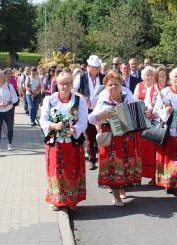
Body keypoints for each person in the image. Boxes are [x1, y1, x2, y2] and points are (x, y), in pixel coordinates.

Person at [88, 70, 141, 206]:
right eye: (110, 85)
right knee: (112, 165)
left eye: (116, 84)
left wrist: (142, 110)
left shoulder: (127, 95)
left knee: (124, 163)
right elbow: (92, 118)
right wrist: (104, 115)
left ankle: (122, 187)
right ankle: (116, 196)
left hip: (126, 136)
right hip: (110, 137)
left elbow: (137, 107)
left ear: (121, 85)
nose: (113, 87)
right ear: (105, 86)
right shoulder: (103, 99)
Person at [40, 71, 88, 211]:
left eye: (67, 84)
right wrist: (54, 125)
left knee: (73, 169)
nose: (64, 86)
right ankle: (55, 199)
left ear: (72, 85)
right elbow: (43, 120)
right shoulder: (49, 100)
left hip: (72, 142)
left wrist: (75, 128)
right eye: (61, 84)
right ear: (57, 85)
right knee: (55, 169)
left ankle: (72, 200)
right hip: (54, 141)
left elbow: (84, 120)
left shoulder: (79, 100)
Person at [153, 67, 177, 194]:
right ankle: (168, 183)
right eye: (175, 76)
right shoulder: (164, 93)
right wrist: (165, 111)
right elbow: (156, 111)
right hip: (167, 131)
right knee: (168, 157)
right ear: (171, 78)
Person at [73, 55, 105, 170]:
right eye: (94, 67)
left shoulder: (103, 77)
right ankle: (92, 159)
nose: (96, 70)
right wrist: (82, 96)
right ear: (88, 67)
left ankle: (102, 158)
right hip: (86, 110)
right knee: (89, 136)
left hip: (101, 110)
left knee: (101, 134)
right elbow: (73, 91)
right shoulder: (81, 78)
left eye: (97, 68)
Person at [134, 66, 158, 185]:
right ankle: (137, 176)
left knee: (151, 150)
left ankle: (152, 176)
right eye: (147, 75)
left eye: (151, 75)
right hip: (141, 122)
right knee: (139, 149)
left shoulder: (157, 87)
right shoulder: (139, 86)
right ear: (143, 76)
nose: (149, 77)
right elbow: (134, 102)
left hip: (153, 122)